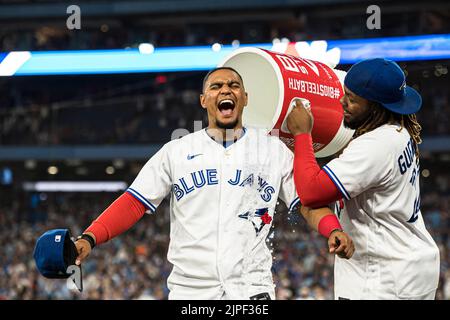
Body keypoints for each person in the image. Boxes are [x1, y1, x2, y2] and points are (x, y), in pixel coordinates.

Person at [74, 67, 354, 300]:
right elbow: (134, 201)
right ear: (203, 99)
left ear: (245, 98)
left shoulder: (274, 150)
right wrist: (90, 237)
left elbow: (306, 203)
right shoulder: (176, 150)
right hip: (190, 293)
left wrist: (332, 229)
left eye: (234, 85)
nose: (225, 90)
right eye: (216, 86)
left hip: (252, 290)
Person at [286, 58, 440, 300]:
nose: (342, 101)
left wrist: (302, 133)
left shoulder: (376, 145)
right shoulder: (399, 131)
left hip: (382, 277)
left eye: (352, 99)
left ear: (377, 107)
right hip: (411, 264)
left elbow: (310, 192)